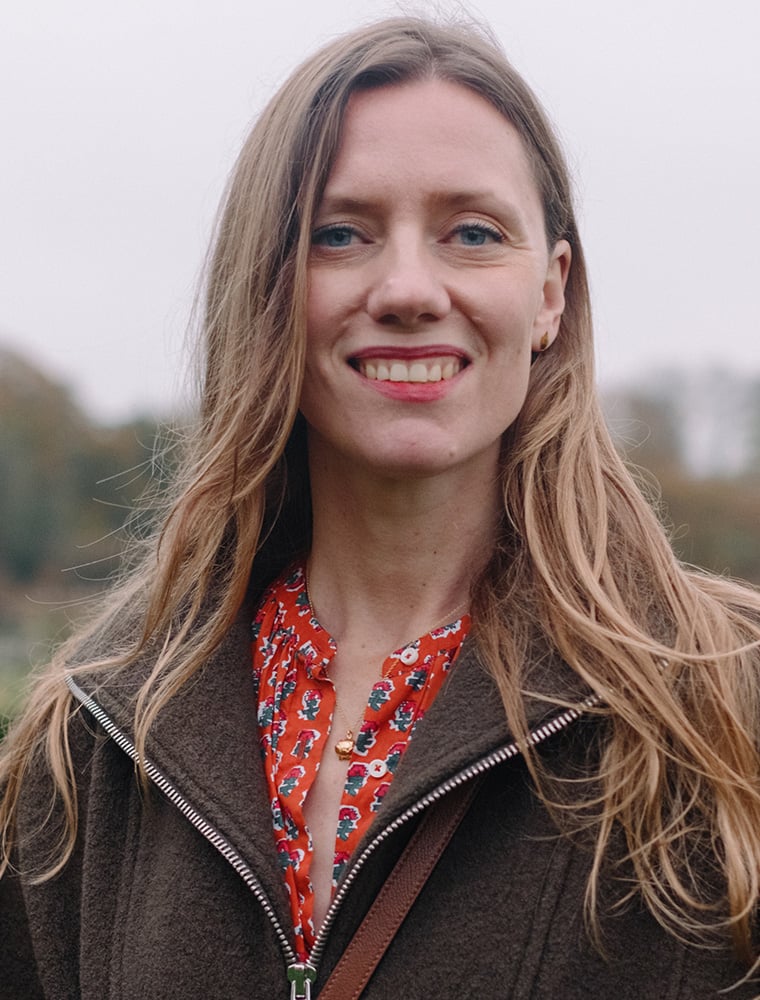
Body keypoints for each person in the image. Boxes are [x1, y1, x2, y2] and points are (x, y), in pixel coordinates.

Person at [2, 15, 760, 999]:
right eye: (341, 234)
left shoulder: (721, 706)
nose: (407, 288)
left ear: (550, 293)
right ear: (266, 287)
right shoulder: (91, 741)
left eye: (473, 233)